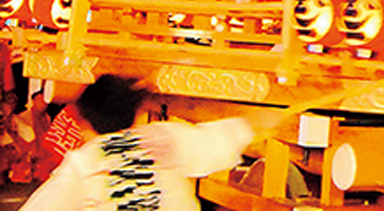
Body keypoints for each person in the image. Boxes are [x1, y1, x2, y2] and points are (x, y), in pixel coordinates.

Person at [19, 74, 283, 211]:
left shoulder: (84, 166)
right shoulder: (165, 138)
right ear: (134, 115)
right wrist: (262, 119)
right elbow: (226, 136)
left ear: (84, 123)